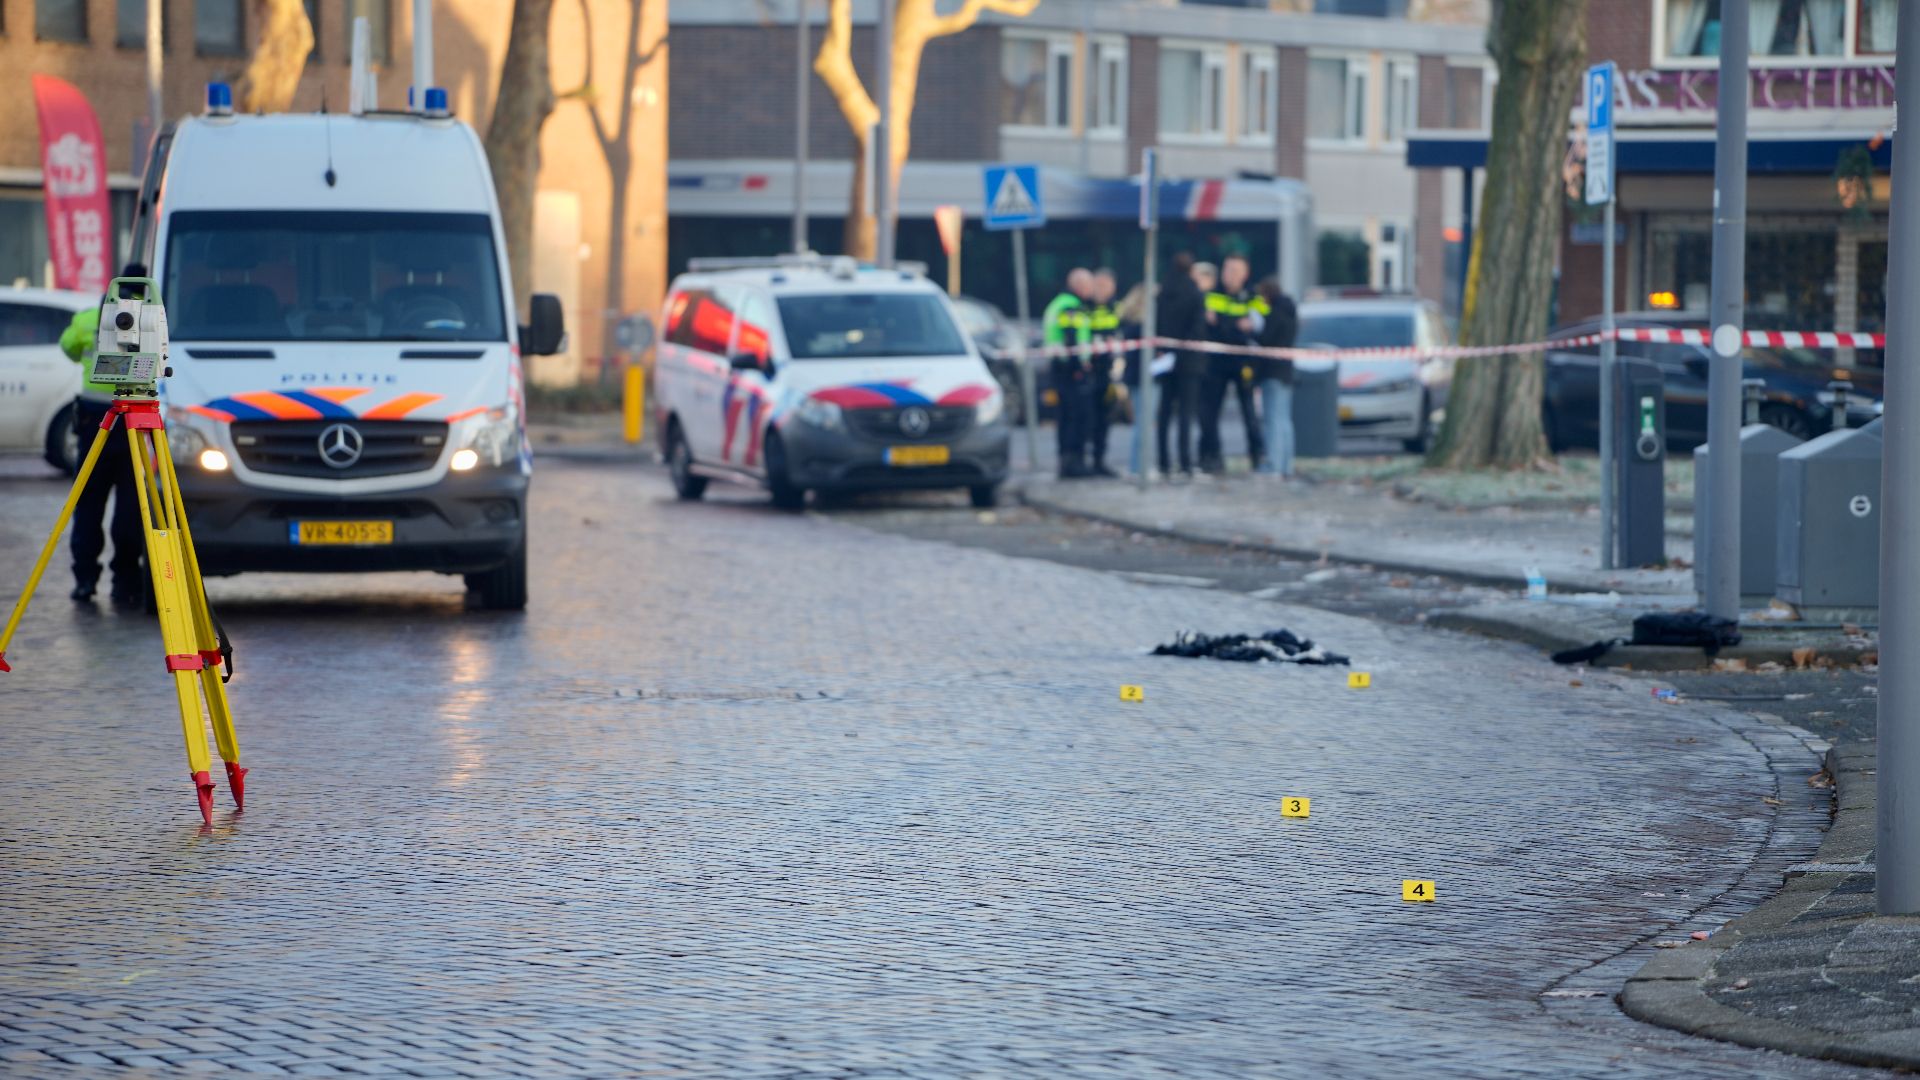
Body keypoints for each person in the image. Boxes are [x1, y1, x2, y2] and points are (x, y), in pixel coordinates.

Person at [62, 270, 147, 604]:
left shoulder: (88, 318)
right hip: (135, 422)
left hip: (94, 422)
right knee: (131, 506)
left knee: (88, 504)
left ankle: (85, 578)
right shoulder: (151, 316)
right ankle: (125, 581)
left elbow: (68, 347)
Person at [1199, 254, 1269, 474]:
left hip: (1244, 362)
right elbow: (1211, 327)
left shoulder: (1253, 297)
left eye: (1235, 271)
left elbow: (1262, 326)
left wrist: (1222, 323)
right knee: (1210, 412)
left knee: (1250, 412)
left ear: (1245, 274)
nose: (1230, 275)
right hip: (1216, 362)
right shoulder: (1213, 296)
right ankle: (1211, 457)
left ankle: (1257, 456)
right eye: (1227, 269)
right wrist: (1235, 327)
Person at [1152, 254, 1210, 478]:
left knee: (1165, 412)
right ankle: (1186, 462)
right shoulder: (1195, 294)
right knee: (1186, 413)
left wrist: (1166, 350)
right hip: (1190, 362)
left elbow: (1155, 325)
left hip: (1165, 359)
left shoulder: (1163, 293)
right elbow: (1198, 329)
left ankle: (1163, 462)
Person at [1042, 268, 1094, 478]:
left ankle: (1066, 461)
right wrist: (1079, 368)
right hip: (1069, 370)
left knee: (1065, 417)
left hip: (1060, 368)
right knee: (1074, 418)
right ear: (1080, 285)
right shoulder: (1070, 306)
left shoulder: (1059, 303)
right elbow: (1071, 339)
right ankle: (1073, 463)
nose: (1091, 289)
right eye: (1089, 285)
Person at [1253, 277, 1299, 478]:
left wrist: (1253, 332)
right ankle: (1286, 464)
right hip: (1286, 371)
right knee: (1284, 421)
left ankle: (1274, 464)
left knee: (1273, 420)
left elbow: (1266, 339)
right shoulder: (1290, 311)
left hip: (1272, 371)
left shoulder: (1276, 313)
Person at [1083, 268, 1123, 477]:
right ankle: (1085, 460)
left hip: (1108, 373)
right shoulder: (1084, 307)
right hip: (1088, 371)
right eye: (1098, 285)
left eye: (1106, 285)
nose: (1102, 290)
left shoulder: (1117, 308)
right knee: (1086, 418)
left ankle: (1099, 460)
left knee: (1104, 419)